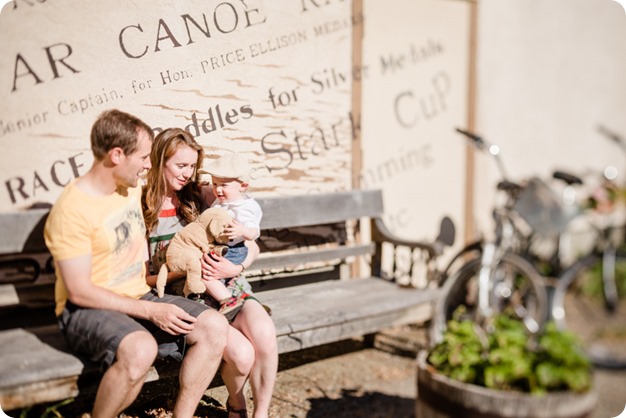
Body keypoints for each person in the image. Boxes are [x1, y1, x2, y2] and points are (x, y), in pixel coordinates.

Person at [43, 109, 229, 418]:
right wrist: (153, 310)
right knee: (142, 349)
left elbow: (174, 188)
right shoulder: (73, 209)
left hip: (138, 295)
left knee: (213, 326)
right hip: (87, 307)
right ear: (117, 155)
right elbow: (78, 291)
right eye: (144, 156)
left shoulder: (129, 188)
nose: (148, 164)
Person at [142, 127, 277, 418]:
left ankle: (261, 414)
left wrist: (238, 265)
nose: (187, 174)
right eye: (181, 165)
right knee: (242, 356)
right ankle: (237, 406)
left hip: (228, 283)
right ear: (158, 161)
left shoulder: (201, 196)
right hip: (192, 294)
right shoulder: (143, 208)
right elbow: (143, 278)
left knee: (264, 331)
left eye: (192, 166)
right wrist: (185, 269)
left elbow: (252, 244)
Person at [199, 153, 263, 317]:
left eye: (224, 185)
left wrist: (243, 231)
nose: (217, 189)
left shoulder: (245, 207)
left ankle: (228, 301)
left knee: (206, 274)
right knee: (208, 270)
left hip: (234, 250)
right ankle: (228, 297)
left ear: (243, 186)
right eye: (215, 184)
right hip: (222, 248)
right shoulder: (222, 201)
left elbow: (254, 232)